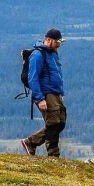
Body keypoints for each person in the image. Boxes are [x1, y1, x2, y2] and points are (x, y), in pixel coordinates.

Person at [20, 28, 65, 157]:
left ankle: (31, 142)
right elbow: (32, 78)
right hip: (46, 93)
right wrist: (40, 99)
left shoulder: (53, 54)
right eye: (57, 42)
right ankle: (53, 154)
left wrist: (60, 93)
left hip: (56, 93)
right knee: (53, 123)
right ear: (49, 40)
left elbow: (56, 75)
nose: (59, 45)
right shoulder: (38, 55)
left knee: (60, 122)